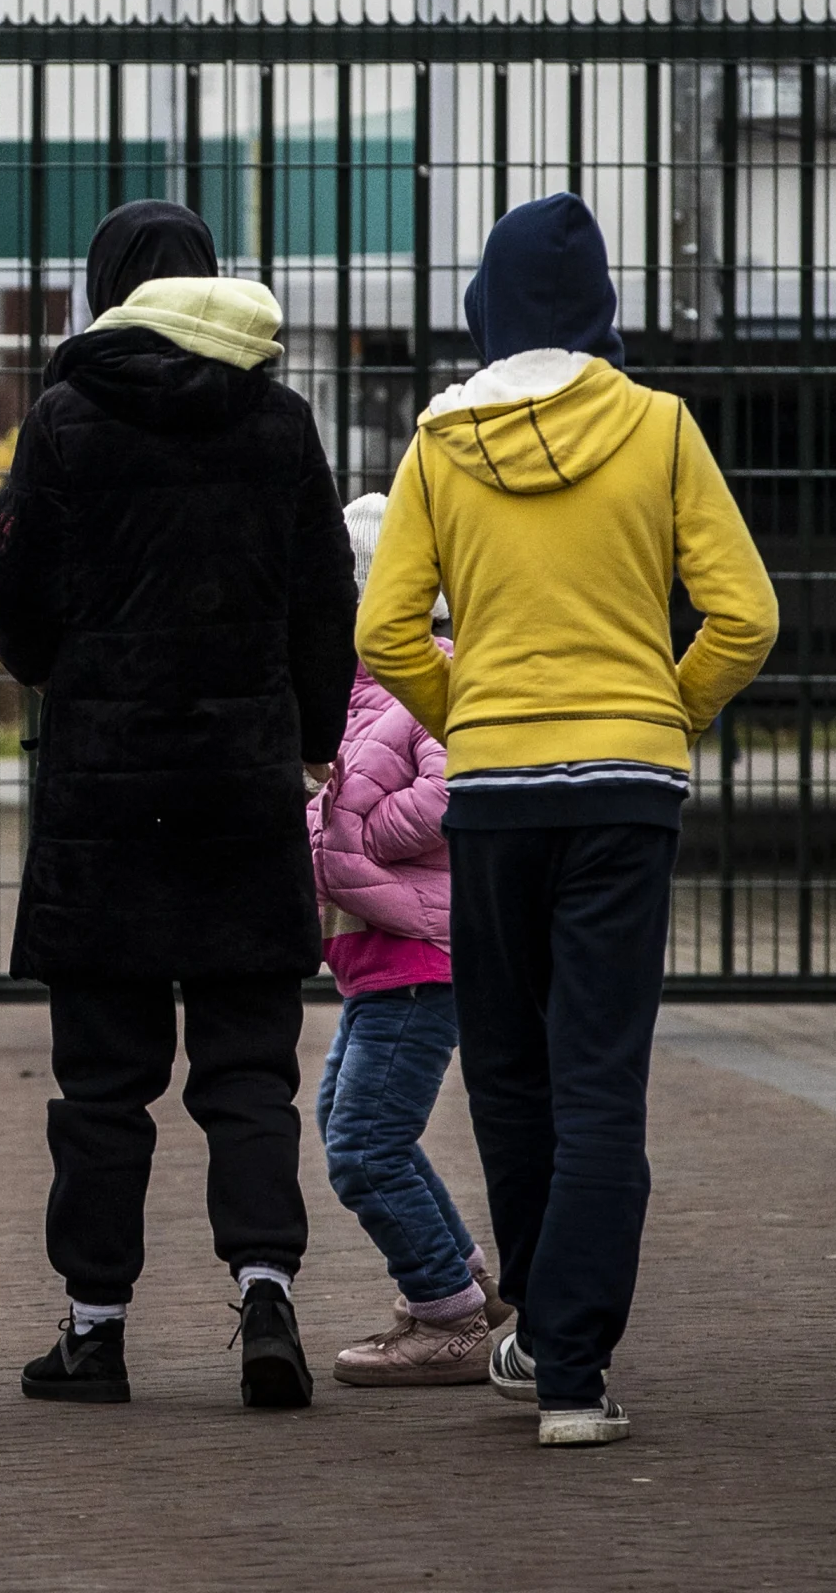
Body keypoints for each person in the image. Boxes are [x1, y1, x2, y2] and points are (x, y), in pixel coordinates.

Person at [354, 192, 776, 1447]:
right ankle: (574, 1373)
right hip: (626, 796)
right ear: (598, 309)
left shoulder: (436, 444)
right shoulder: (658, 427)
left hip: (492, 796)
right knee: (602, 1077)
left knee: (509, 1071)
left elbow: (383, 631)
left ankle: (535, 1316)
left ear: (487, 307)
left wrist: (472, 707)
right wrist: (665, 709)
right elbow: (744, 615)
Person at [0, 199, 351, 1413]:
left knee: (102, 1082)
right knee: (251, 1069)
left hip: (107, 793)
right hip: (242, 784)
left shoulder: (66, 420)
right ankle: (266, 1298)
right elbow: (323, 612)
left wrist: (79, 670)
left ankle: (96, 1329)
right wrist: (302, 741)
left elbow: (18, 614)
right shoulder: (283, 422)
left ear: (109, 290)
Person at [308, 488, 507, 1386]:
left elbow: (457, 790)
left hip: (419, 960)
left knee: (363, 1146)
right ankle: (463, 1279)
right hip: (375, 958)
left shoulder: (431, 671)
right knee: (347, 1123)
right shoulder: (351, 687)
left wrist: (365, 829)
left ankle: (449, 1316)